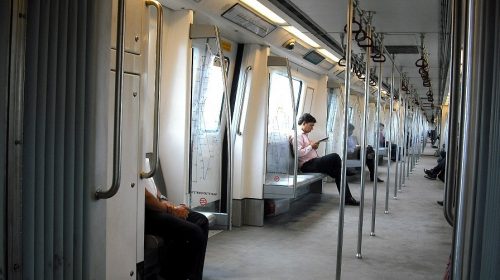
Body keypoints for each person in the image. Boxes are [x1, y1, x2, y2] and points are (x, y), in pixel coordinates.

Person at [144, 174, 209, 280]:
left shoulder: (143, 159)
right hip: (146, 212)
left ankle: (194, 275)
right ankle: (174, 275)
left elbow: (151, 184)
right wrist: (170, 209)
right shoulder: (131, 162)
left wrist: (163, 199)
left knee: (201, 221)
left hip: (158, 206)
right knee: (194, 232)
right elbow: (145, 196)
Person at [291, 113, 360, 206]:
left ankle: (347, 198)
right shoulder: (298, 135)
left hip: (313, 162)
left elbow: (306, 150)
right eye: (311, 125)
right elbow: (298, 153)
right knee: (334, 156)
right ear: (304, 123)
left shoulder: (304, 135)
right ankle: (346, 170)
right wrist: (311, 146)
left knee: (339, 173)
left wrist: (313, 146)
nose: (312, 128)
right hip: (307, 165)